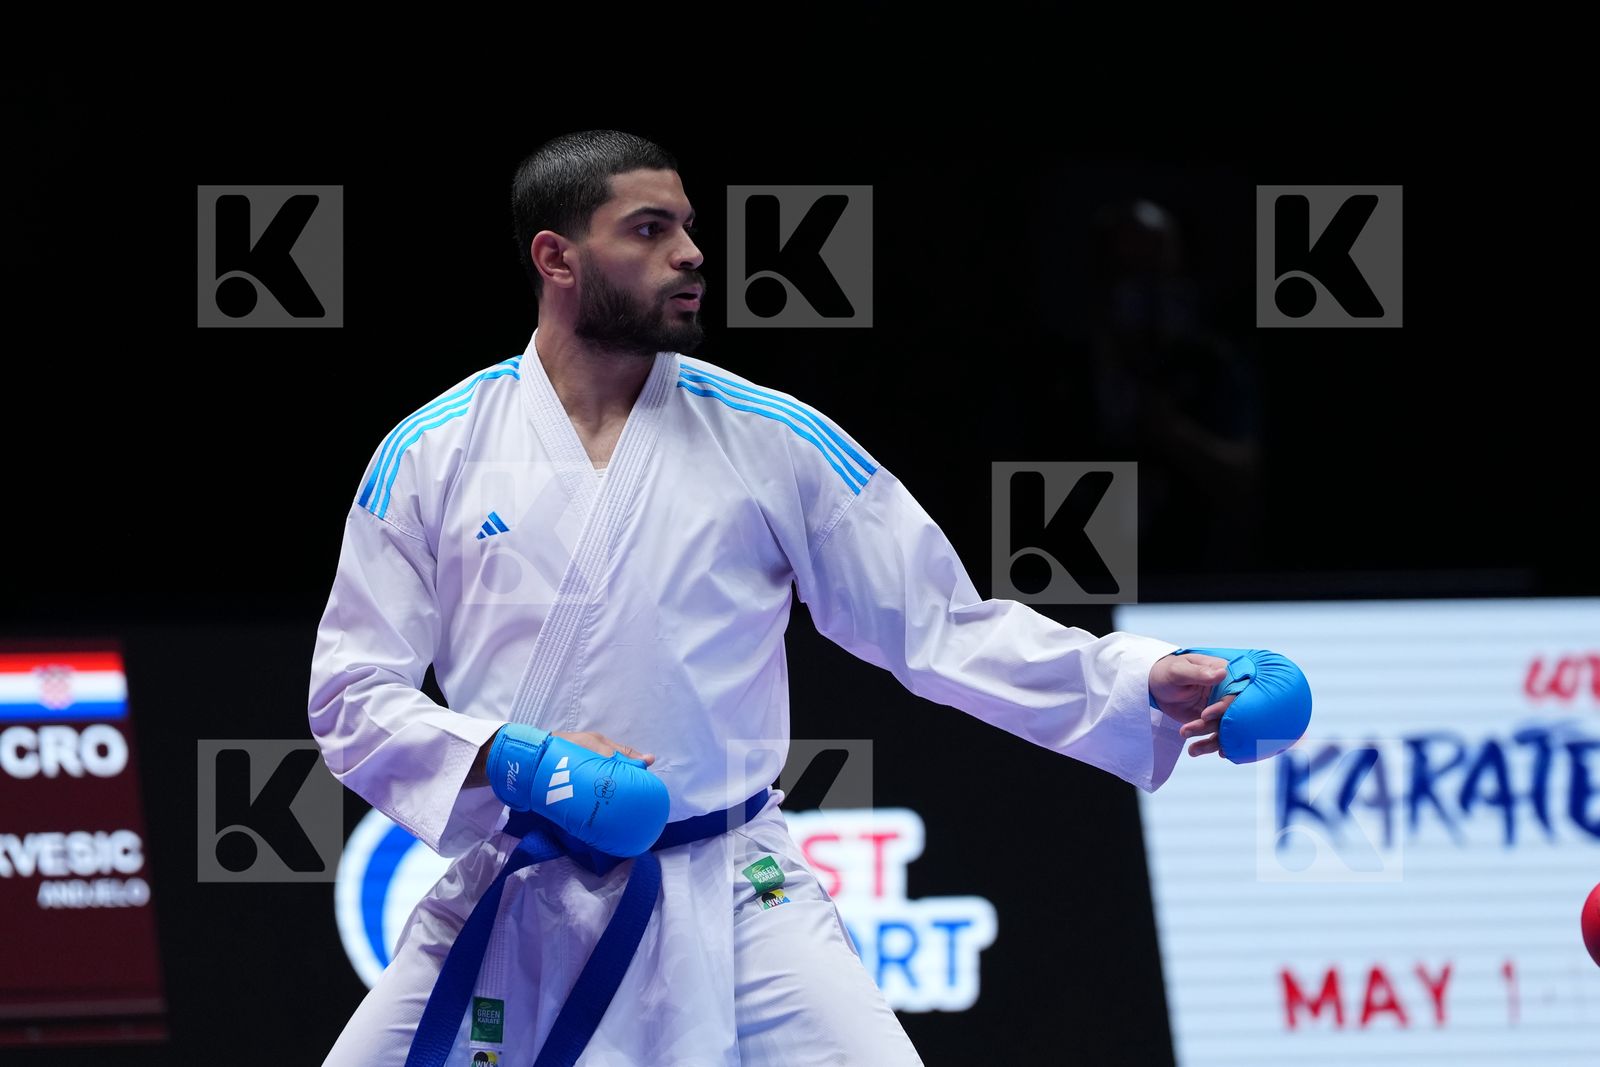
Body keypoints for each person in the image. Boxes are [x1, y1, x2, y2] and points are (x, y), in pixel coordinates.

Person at [308, 130, 1243, 1067]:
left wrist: (1138, 675)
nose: (691, 253)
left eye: (687, 226)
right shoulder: (432, 452)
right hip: (520, 890)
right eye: (648, 229)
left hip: (738, 890)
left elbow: (943, 627)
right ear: (556, 257)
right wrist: (512, 760)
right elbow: (350, 694)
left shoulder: (772, 438)